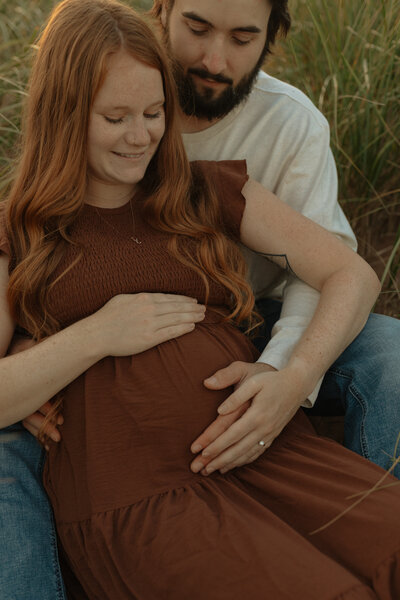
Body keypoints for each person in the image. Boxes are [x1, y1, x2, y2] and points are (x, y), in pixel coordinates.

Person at [1, 1, 400, 598]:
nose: (141, 137)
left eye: (154, 113)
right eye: (115, 118)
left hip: (267, 453)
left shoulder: (203, 188)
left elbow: (351, 273)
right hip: (140, 490)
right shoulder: (21, 229)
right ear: (65, 113)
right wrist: (94, 335)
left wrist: (292, 377)